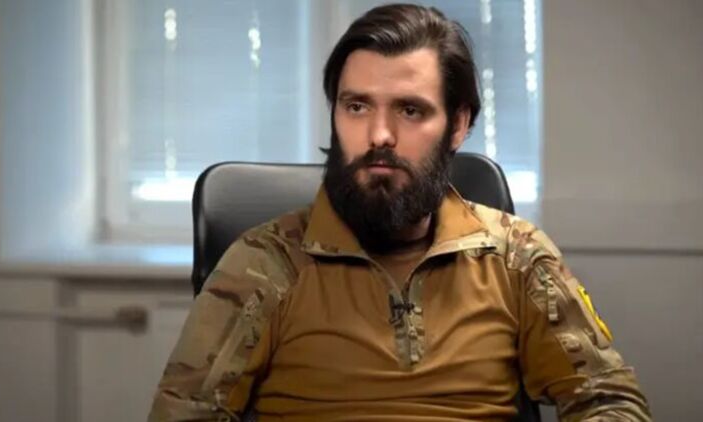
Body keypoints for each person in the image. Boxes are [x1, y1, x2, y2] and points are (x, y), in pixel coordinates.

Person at [148, 4, 651, 421]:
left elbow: (609, 401)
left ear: (458, 124)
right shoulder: (265, 263)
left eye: (410, 110)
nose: (379, 135)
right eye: (357, 107)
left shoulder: (516, 258)